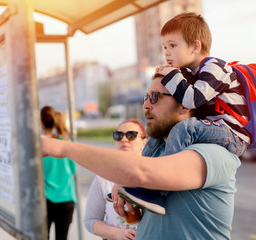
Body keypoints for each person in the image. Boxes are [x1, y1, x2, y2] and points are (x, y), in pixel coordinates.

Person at [41, 73, 241, 239]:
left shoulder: (211, 152)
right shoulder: (158, 152)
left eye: (155, 97)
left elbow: (141, 173)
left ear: (185, 105)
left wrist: (64, 148)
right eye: (145, 98)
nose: (146, 105)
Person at [118, 12, 250, 214]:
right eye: (164, 47)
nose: (167, 53)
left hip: (232, 133)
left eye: (172, 45)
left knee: (183, 127)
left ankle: (158, 189)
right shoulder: (196, 73)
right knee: (154, 138)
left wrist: (172, 74)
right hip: (215, 128)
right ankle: (137, 180)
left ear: (196, 46)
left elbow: (192, 99)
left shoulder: (216, 67)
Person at [84, 119, 147, 240]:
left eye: (131, 135)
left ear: (144, 142)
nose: (124, 139)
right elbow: (90, 220)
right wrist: (117, 234)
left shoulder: (156, 174)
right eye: (118, 135)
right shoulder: (104, 177)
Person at [40, 106, 77, 240]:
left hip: (45, 199)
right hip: (66, 198)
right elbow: (73, 170)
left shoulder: (38, 145)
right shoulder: (66, 142)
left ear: (41, 122)